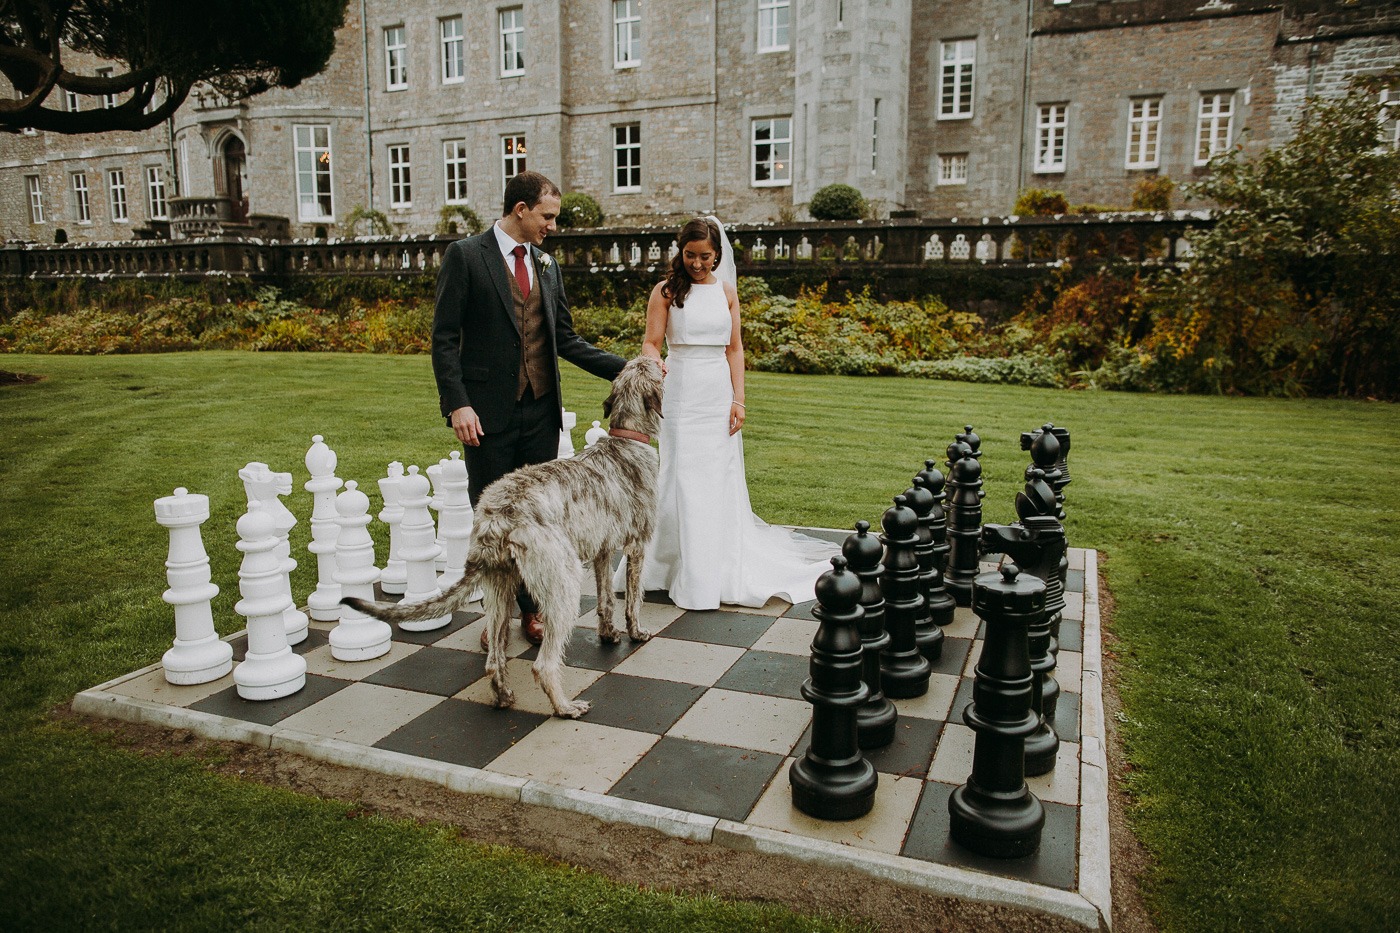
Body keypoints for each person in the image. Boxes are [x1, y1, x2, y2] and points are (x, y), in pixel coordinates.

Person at [431, 171, 626, 644]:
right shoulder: (466, 256)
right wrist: (458, 404)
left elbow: (568, 340)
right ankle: (495, 615)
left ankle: (533, 610)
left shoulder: (547, 266)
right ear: (521, 210)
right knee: (495, 521)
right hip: (486, 416)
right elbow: (444, 339)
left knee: (540, 520)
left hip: (541, 413)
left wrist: (629, 370)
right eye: (547, 216)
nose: (552, 226)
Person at [616, 217, 836, 610]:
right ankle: (668, 566)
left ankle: (713, 569)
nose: (697, 264)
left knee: (716, 478)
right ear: (679, 252)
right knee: (679, 476)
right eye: (690, 256)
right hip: (680, 392)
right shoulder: (666, 291)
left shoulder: (727, 292)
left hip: (716, 392)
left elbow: (735, 349)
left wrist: (739, 400)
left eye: (705, 256)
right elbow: (651, 342)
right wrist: (655, 362)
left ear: (717, 254)